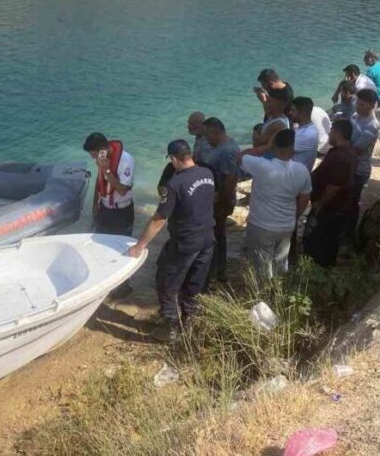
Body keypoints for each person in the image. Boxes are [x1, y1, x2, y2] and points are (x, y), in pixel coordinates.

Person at [129, 140, 215, 340]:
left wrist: (139, 246)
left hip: (185, 242)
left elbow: (159, 219)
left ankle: (170, 328)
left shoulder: (175, 184)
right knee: (194, 282)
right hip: (207, 239)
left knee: (166, 282)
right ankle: (190, 321)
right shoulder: (207, 174)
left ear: (174, 159)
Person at [236, 129, 311, 279]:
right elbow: (304, 198)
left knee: (260, 269)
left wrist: (266, 147)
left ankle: (264, 299)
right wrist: (294, 216)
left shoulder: (261, 166)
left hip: (261, 225)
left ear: (275, 146)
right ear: (292, 147)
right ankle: (278, 293)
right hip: (286, 225)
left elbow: (239, 157)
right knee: (279, 265)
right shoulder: (301, 170)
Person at [304, 120, 358, 268]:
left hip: (331, 209)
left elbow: (334, 186)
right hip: (333, 207)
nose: (329, 134)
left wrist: (319, 204)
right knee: (324, 240)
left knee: (321, 242)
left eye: (331, 131)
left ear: (338, 133)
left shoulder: (342, 157)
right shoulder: (342, 151)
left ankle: (319, 270)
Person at [201, 117, 240, 284]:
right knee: (219, 234)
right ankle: (218, 269)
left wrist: (219, 201)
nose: (205, 138)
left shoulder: (225, 151)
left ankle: (215, 270)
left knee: (215, 235)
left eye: (206, 135)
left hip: (221, 201)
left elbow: (230, 178)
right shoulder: (230, 144)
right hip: (221, 199)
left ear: (214, 132)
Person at [82, 133, 135, 235]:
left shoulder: (126, 160)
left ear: (101, 149)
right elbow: (99, 179)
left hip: (121, 211)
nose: (93, 158)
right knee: (99, 239)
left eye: (93, 154)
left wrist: (106, 169)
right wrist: (94, 204)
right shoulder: (102, 157)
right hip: (104, 208)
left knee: (119, 244)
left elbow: (122, 190)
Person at [350, 89, 380, 207]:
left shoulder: (372, 126)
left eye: (362, 104)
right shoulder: (355, 116)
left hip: (359, 169)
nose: (358, 106)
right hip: (350, 165)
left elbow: (355, 150)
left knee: (352, 201)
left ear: (372, 105)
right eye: (357, 103)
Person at [288, 97, 320, 170]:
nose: (289, 113)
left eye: (293, 110)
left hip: (295, 176)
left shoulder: (307, 134)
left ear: (302, 113)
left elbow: (281, 151)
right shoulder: (307, 128)